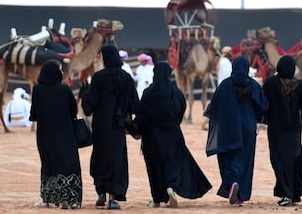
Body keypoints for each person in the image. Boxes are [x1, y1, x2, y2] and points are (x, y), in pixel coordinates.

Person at [137, 61, 212, 208]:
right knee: (173, 162)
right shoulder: (176, 93)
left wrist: (139, 128)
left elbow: (142, 114)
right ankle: (171, 186)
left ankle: (157, 199)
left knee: (155, 167)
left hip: (152, 137)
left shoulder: (148, 93)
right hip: (173, 134)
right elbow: (181, 110)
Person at [204, 56, 269, 206]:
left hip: (229, 127)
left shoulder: (225, 85)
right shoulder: (253, 85)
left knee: (227, 156)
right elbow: (264, 106)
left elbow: (214, 106)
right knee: (245, 161)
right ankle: (240, 197)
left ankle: (232, 182)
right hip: (248, 128)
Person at [81, 44, 139, 210]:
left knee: (100, 157)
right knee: (117, 160)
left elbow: (89, 105)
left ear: (105, 58)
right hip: (118, 128)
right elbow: (135, 105)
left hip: (100, 127)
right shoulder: (126, 78)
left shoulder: (98, 78)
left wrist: (85, 96)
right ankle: (113, 199)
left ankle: (101, 192)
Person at [262, 55, 302, 206]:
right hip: (294, 131)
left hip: (277, 130)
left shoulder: (270, 83)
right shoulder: (300, 85)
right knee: (294, 161)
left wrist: (258, 119)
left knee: (279, 161)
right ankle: (294, 193)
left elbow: (262, 104)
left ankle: (287, 194)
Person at [29, 59, 82, 209]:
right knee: (67, 164)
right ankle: (68, 200)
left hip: (45, 135)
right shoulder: (64, 89)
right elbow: (74, 111)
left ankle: (46, 200)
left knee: (48, 165)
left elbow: (34, 115)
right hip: (66, 134)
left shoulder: (38, 90)